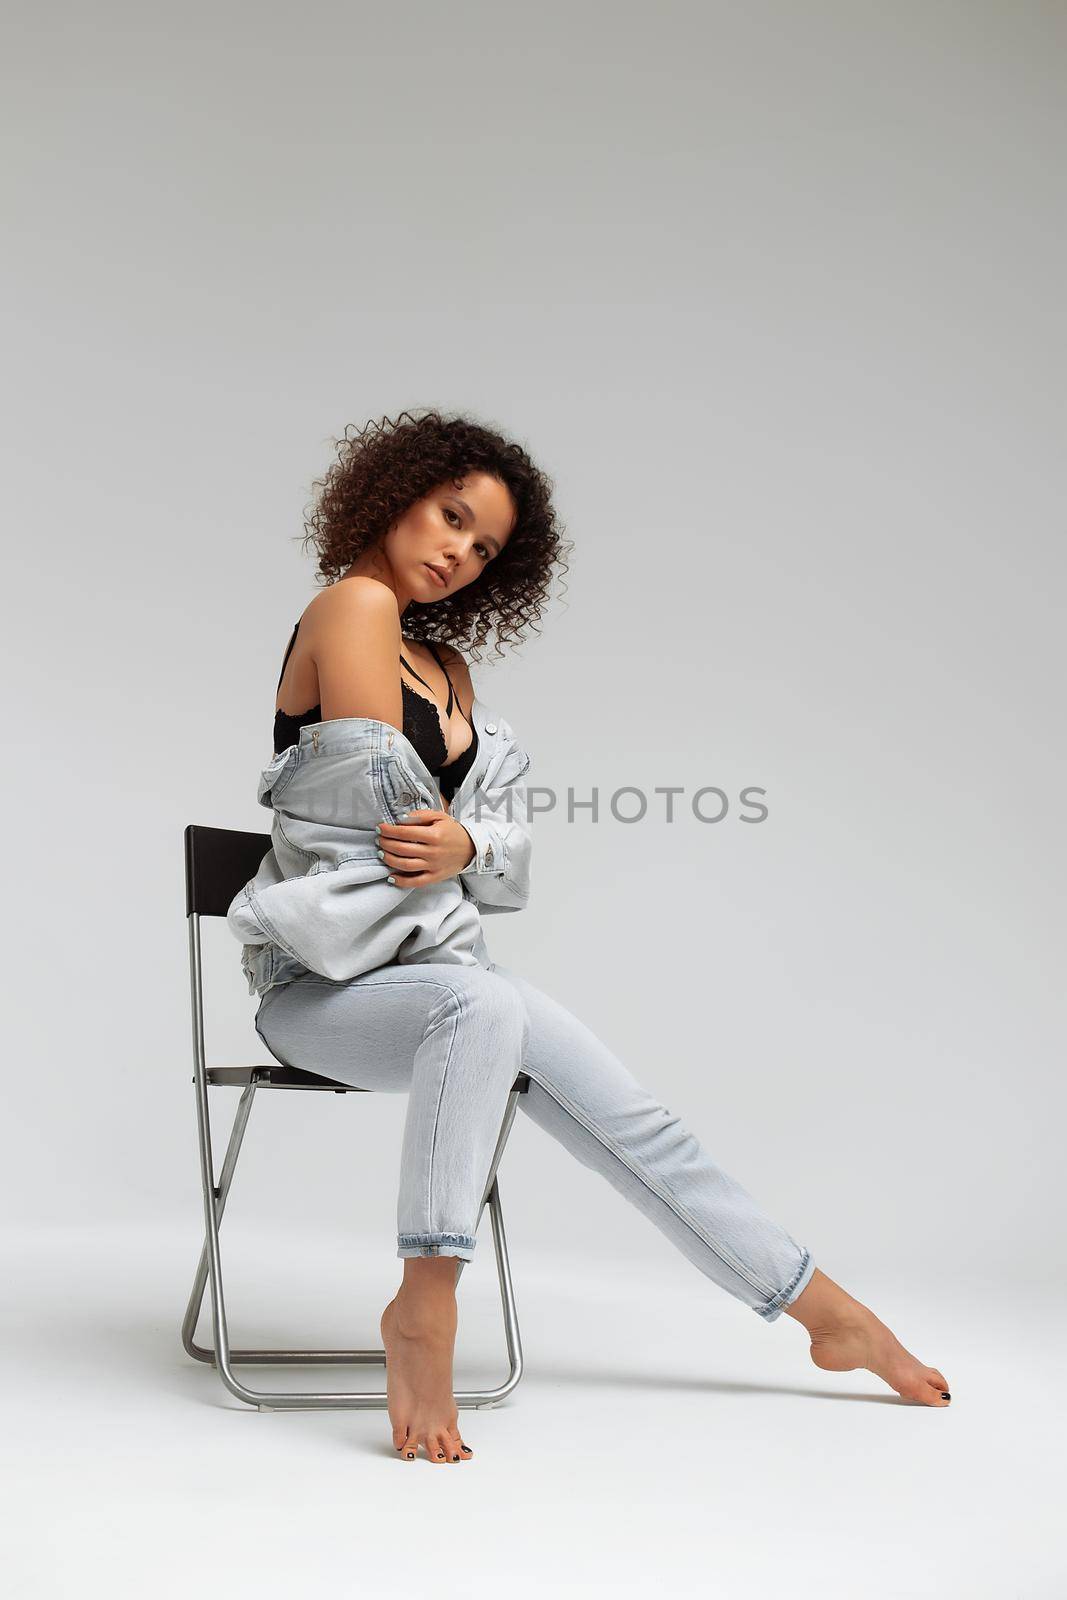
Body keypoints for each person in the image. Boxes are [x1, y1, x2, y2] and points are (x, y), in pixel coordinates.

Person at [254, 409, 951, 1465]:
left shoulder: (447, 667)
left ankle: (823, 1311)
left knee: (635, 1117)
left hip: (440, 981)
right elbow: (390, 826)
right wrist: (472, 847)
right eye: (450, 516)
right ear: (393, 491)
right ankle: (424, 1302)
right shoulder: (350, 606)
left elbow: (487, 859)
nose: (457, 552)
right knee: (485, 1001)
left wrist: (469, 848)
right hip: (322, 991)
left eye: (483, 546)